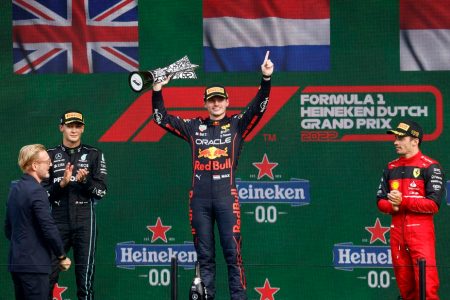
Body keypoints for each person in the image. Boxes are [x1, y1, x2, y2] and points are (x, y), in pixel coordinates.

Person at [152, 51, 274, 299]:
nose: (216, 104)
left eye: (220, 99)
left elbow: (259, 108)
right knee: (204, 257)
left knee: (233, 254)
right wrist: (157, 91)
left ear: (227, 102)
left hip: (226, 199)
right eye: (211, 100)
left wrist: (266, 79)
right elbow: (161, 119)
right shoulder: (194, 127)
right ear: (205, 103)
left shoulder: (238, 125)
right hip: (199, 201)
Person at [376, 120, 445, 300]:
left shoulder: (430, 166)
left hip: (421, 233)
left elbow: (433, 205)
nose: (395, 142)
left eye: (400, 138)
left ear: (415, 140)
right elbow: (380, 201)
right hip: (397, 233)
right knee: (406, 289)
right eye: (395, 138)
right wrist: (394, 205)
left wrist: (403, 201)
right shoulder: (391, 167)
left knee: (427, 288)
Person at [43, 111, 107, 300]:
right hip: (57, 220)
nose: (73, 130)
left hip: (85, 220)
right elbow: (41, 195)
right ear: (61, 127)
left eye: (77, 126)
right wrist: (60, 185)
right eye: (69, 125)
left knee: (85, 281)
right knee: (46, 277)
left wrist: (85, 182)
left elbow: (102, 192)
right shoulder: (49, 155)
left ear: (83, 128)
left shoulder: (94, 154)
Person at [5, 144, 71, 300]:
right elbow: (48, 227)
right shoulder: (37, 190)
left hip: (17, 264)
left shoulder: (15, 188)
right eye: (47, 161)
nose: (51, 164)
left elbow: (8, 229)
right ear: (34, 165)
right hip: (35, 267)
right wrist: (61, 256)